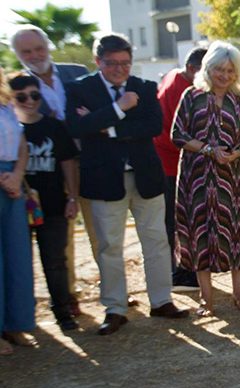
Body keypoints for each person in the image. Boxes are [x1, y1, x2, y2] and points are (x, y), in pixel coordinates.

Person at [65, 33, 189, 336]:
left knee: (157, 241)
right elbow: (77, 127)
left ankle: (161, 301)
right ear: (98, 61)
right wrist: (120, 109)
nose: (120, 69)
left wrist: (104, 126)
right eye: (112, 63)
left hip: (145, 176)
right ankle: (115, 308)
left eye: (125, 63)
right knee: (109, 246)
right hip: (104, 181)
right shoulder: (80, 90)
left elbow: (152, 126)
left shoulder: (145, 88)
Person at [171, 41, 240, 317]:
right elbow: (178, 135)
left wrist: (236, 153)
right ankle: (206, 298)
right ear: (207, 69)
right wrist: (209, 150)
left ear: (237, 73)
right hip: (197, 178)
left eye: (230, 70)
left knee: (236, 232)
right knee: (200, 234)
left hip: (235, 180)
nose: (224, 75)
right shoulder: (191, 96)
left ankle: (238, 292)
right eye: (219, 69)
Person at [11, 24, 91, 315]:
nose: (34, 55)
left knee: (101, 235)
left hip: (91, 163)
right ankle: (68, 298)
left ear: (48, 46)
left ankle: (113, 295)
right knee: (62, 242)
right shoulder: (18, 87)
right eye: (26, 51)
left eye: (39, 48)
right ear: (18, 55)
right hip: (51, 172)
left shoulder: (77, 72)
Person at [10, 72, 80, 332]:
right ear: (11, 98)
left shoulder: (53, 127)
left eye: (35, 95)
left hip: (53, 205)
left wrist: (72, 197)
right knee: (18, 263)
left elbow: (68, 163)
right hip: (15, 206)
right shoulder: (8, 128)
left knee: (55, 261)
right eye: (22, 96)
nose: (30, 101)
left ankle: (62, 312)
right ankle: (21, 317)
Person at [154, 46, 207, 292]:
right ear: (191, 69)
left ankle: (179, 271)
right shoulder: (183, 90)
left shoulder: (174, 76)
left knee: (174, 220)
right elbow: (184, 133)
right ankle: (181, 273)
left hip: (170, 162)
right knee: (178, 221)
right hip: (171, 163)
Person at [0, 66, 37, 355]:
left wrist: (16, 174)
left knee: (17, 255)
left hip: (13, 180)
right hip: (4, 179)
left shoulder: (6, 106)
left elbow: (22, 144)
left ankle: (15, 324)